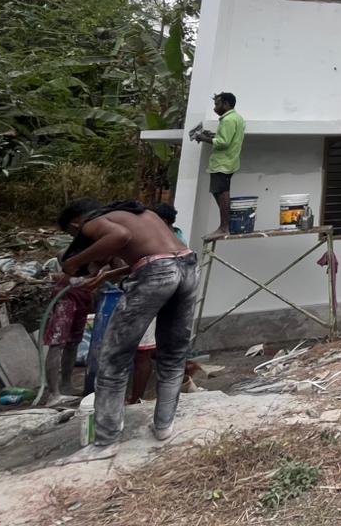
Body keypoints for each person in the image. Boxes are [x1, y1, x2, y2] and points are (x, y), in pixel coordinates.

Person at [55, 199, 197, 463]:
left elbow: (120, 237)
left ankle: (105, 442)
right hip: (187, 267)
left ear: (75, 225)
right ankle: (163, 426)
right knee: (173, 355)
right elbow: (160, 254)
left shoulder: (91, 223)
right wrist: (108, 275)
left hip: (156, 275)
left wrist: (74, 263)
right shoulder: (139, 213)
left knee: (114, 359)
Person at [41, 198, 104, 406]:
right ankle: (53, 393)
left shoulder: (99, 239)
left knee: (73, 342)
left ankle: (66, 386)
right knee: (58, 341)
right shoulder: (73, 248)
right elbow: (61, 267)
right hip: (66, 296)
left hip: (83, 295)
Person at [127, 203, 188, 405]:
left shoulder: (166, 242)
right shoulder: (176, 238)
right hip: (171, 300)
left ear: (163, 221)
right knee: (161, 348)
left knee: (144, 352)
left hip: (157, 299)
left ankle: (136, 399)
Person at [193, 91, 246, 239]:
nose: (215, 108)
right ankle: (226, 225)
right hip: (228, 162)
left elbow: (224, 142)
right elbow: (227, 138)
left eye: (217, 104)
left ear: (226, 104)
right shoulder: (237, 118)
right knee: (220, 192)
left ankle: (224, 227)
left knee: (222, 193)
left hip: (222, 163)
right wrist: (212, 135)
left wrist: (203, 138)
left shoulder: (228, 120)